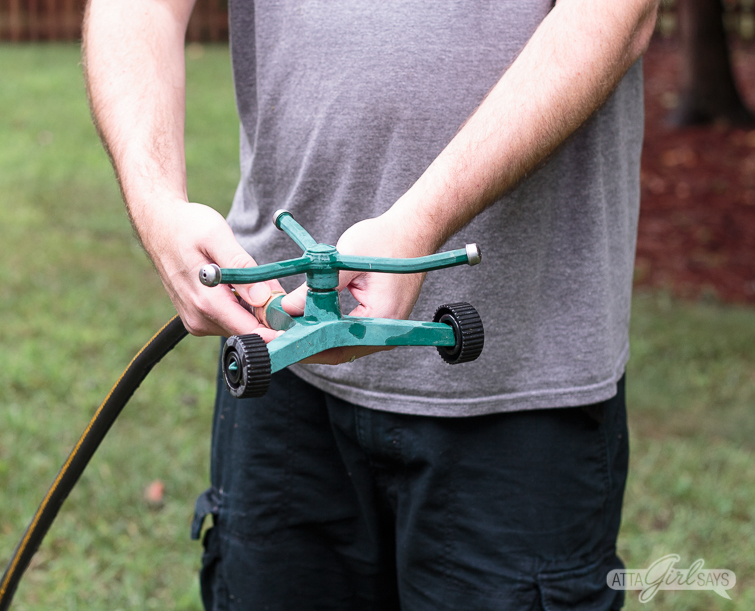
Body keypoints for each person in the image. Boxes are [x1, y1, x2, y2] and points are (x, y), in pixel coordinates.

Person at [83, 1, 659, 609]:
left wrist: (420, 222)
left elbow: (616, 13)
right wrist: (156, 203)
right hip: (277, 373)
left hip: (526, 384)